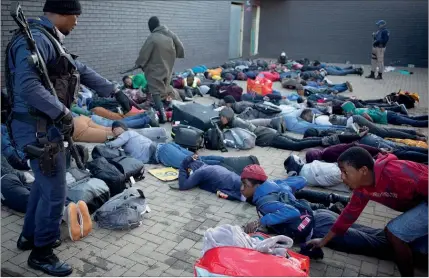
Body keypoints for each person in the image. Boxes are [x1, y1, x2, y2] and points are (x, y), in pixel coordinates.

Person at [5, 0, 123, 275]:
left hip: (47, 126)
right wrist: (63, 114)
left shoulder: (49, 39)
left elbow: (77, 68)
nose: (77, 22)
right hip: (38, 130)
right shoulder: (33, 40)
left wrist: (114, 91)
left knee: (42, 186)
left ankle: (29, 236)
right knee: (56, 192)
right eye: (75, 16)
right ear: (60, 14)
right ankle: (41, 254)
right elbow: (28, 85)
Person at [307, 147, 428, 276]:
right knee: (402, 238)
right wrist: (323, 241)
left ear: (363, 170)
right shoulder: (362, 189)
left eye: (345, 172)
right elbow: (348, 216)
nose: (342, 177)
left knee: (395, 233)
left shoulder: (397, 173)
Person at [106, 121, 224, 168]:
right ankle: (223, 161)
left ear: (118, 128)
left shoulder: (126, 134)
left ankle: (222, 167)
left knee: (192, 164)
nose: (114, 133)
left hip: (162, 152)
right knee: (197, 159)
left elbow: (112, 145)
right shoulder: (130, 136)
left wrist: (109, 141)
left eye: (114, 130)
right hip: (164, 149)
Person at [135, 16, 184, 123]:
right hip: (168, 66)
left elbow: (144, 53)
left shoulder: (153, 37)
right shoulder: (169, 33)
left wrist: (139, 63)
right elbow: (180, 46)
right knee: (163, 86)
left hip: (155, 68)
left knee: (155, 91)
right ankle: (162, 104)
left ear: (150, 27)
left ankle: (162, 115)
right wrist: (176, 54)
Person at [176, 154, 245, 201]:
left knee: (245, 190)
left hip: (233, 184)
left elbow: (183, 186)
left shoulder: (200, 172)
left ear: (190, 169)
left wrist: (182, 166)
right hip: (234, 179)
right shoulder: (206, 165)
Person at [342, 102, 428, 128]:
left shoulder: (358, 113)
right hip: (388, 113)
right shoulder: (359, 109)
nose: (346, 113)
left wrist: (369, 122)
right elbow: (374, 107)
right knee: (412, 118)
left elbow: (368, 118)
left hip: (388, 117)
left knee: (414, 122)